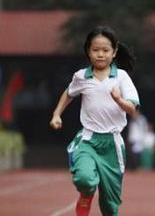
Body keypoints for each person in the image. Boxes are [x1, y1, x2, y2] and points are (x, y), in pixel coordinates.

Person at [49, 25, 139, 216]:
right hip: (88, 139)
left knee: (110, 205)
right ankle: (86, 195)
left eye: (105, 50)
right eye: (95, 50)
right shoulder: (81, 76)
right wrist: (57, 114)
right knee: (84, 179)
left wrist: (119, 100)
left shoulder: (121, 77)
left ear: (114, 52)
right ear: (88, 51)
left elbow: (132, 108)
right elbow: (69, 93)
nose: (100, 54)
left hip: (112, 144)